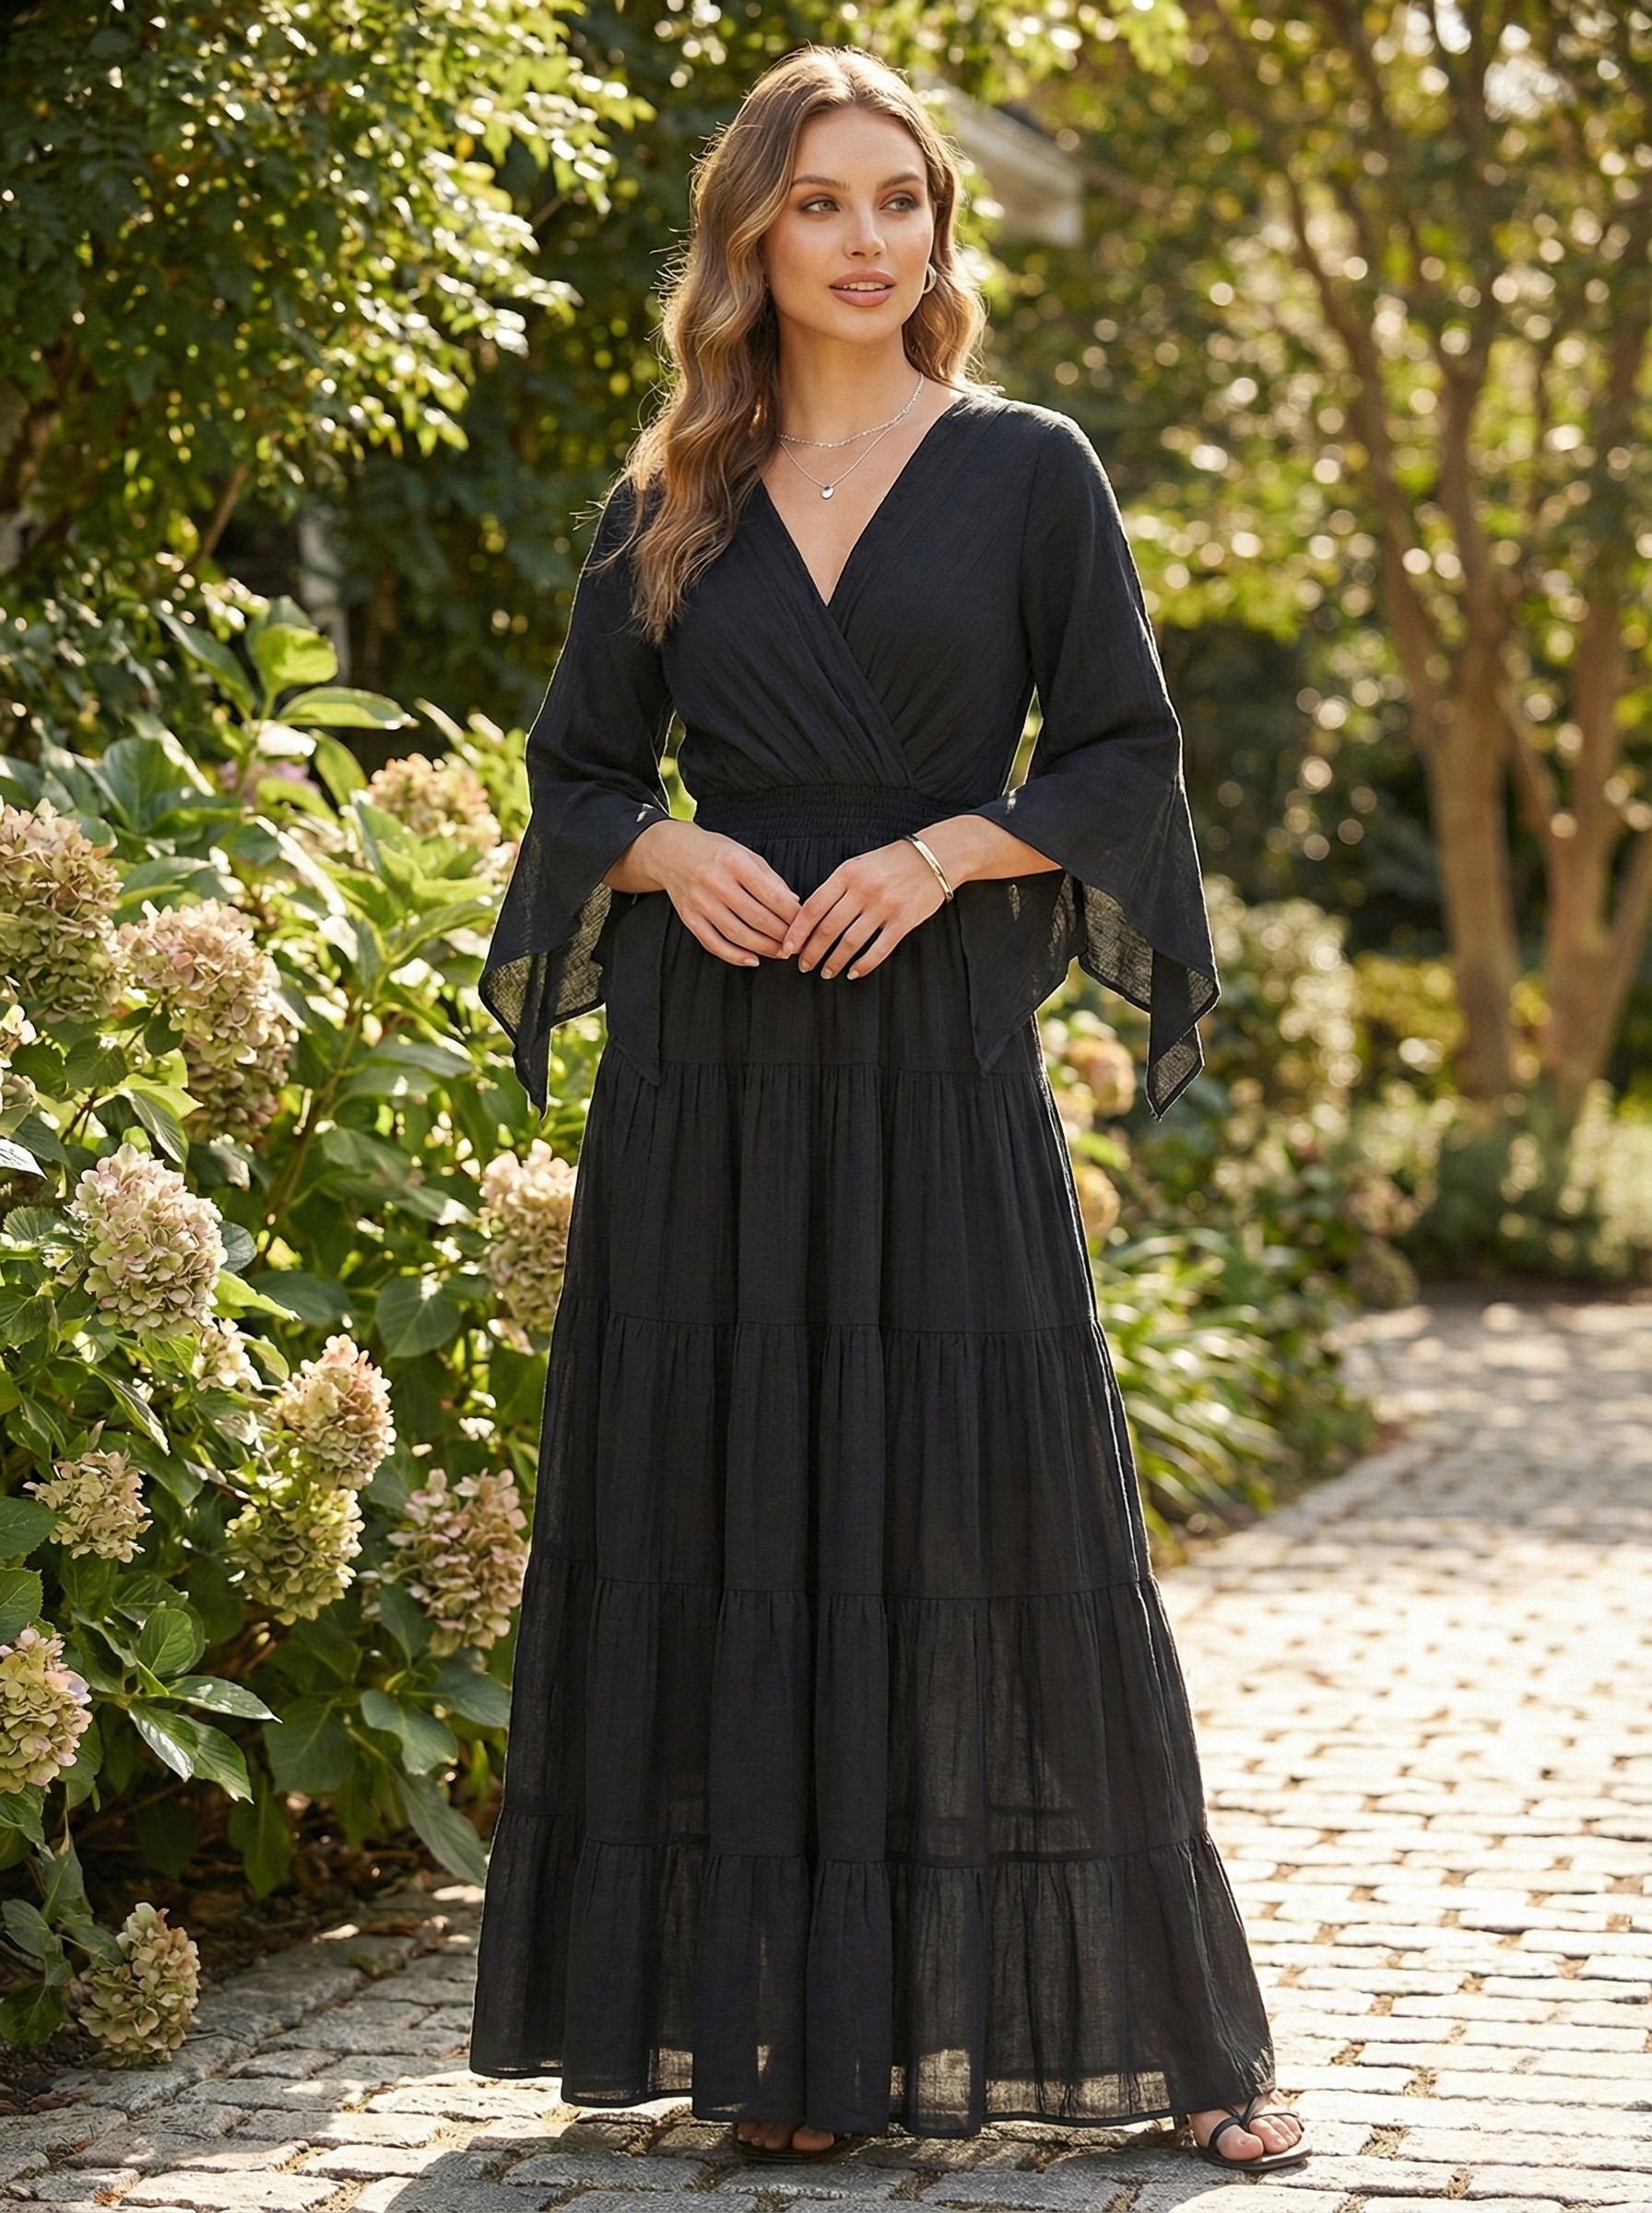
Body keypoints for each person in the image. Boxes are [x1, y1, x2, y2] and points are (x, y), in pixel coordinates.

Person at [467, 43, 1307, 2181]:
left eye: (900, 203)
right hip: (712, 1081)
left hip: (933, 1062)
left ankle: (1182, 2044)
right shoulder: (667, 501)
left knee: (1009, 1520)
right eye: (822, 202)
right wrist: (667, 856)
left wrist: (943, 855)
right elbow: (572, 781)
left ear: (940, 233)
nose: (868, 242)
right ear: (749, 231)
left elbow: (1122, 758)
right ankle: (790, 2051)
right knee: (732, 1514)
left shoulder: (1026, 470)